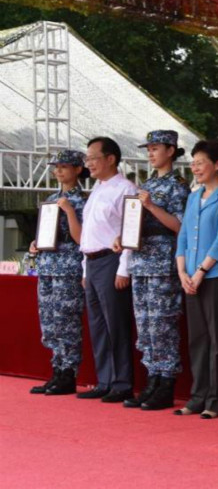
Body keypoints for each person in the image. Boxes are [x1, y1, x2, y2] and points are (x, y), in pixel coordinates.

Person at [116, 130, 190, 411]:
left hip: (163, 262)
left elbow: (180, 227)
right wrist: (122, 236)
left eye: (156, 148)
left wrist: (150, 206)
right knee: (145, 325)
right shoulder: (147, 184)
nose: (150, 153)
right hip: (141, 261)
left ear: (171, 150)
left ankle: (166, 382)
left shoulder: (179, 185)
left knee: (163, 324)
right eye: (148, 148)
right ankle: (152, 379)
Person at [174, 140, 218, 419]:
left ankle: (215, 400)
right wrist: (182, 271)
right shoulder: (193, 197)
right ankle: (197, 396)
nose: (195, 167)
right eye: (193, 162)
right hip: (190, 277)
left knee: (217, 340)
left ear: (217, 164)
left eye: (200, 162)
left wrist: (200, 272)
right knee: (197, 339)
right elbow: (184, 236)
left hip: (215, 276)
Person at [78, 136, 138, 402]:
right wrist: (83, 270)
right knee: (98, 325)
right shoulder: (97, 190)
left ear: (110, 158)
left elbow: (130, 230)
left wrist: (124, 268)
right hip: (91, 262)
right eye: (87, 158)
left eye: (92, 157)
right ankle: (104, 380)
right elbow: (90, 234)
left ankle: (122, 382)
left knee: (117, 324)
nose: (88, 163)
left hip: (111, 261)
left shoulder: (125, 188)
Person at [28, 150, 88, 396]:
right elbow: (46, 233)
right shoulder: (52, 198)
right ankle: (57, 369)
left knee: (67, 320)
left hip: (69, 266)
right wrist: (35, 243)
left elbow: (82, 238)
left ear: (77, 169)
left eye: (64, 166)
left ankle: (68, 373)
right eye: (56, 167)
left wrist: (70, 211)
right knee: (50, 320)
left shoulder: (83, 201)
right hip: (48, 265)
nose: (59, 171)